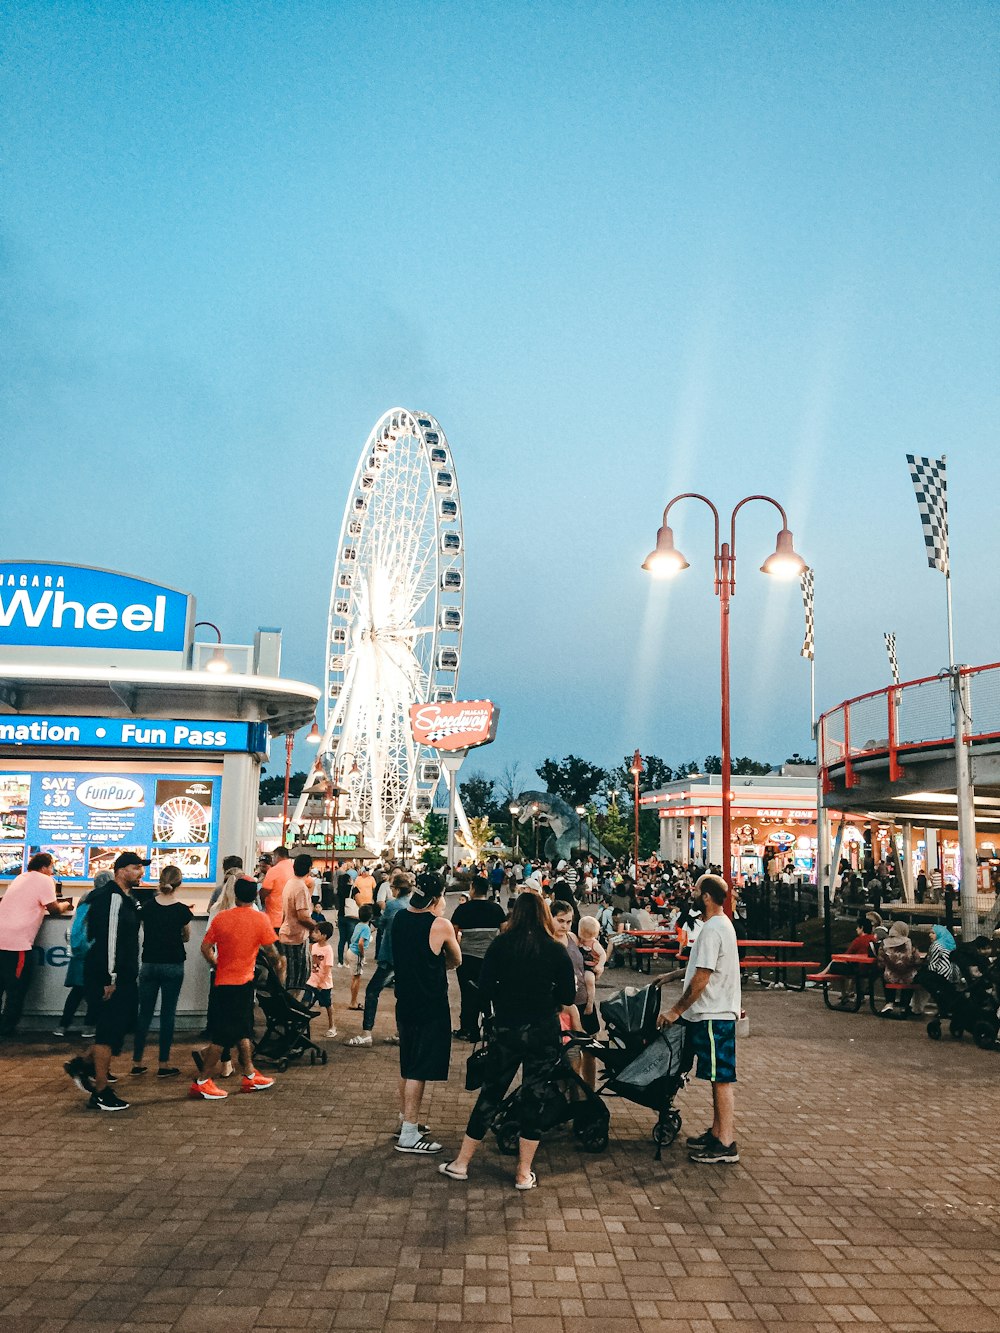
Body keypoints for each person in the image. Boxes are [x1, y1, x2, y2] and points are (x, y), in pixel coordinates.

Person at [438, 893, 576, 1190]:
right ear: (544, 916)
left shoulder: (501, 945)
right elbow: (567, 997)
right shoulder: (555, 950)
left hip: (507, 1029)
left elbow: (484, 989)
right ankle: (524, 1172)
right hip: (543, 1031)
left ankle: (462, 1162)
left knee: (491, 1093)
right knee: (534, 1097)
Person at [657, 874, 741, 1165]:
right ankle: (718, 1132)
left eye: (695, 890)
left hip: (712, 1013)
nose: (692, 894)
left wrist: (675, 1010)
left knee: (721, 1077)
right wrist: (672, 975)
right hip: (713, 1012)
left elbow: (703, 977)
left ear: (706, 896)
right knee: (716, 1076)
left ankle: (726, 1142)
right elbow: (700, 967)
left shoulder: (712, 930)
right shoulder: (721, 926)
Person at [64, 852, 147, 1111]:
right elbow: (110, 941)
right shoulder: (112, 898)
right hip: (109, 978)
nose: (140, 873)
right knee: (108, 1033)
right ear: (120, 870)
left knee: (117, 1030)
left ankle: (83, 1065)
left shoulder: (124, 898)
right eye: (135, 868)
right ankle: (100, 1092)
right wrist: (110, 978)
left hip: (120, 976)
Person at [191, 876, 285, 1099]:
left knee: (244, 1029)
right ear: (254, 895)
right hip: (243, 983)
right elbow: (272, 953)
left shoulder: (222, 918)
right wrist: (278, 964)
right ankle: (202, 1080)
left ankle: (250, 1075)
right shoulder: (259, 920)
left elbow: (205, 948)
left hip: (222, 981)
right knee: (223, 1036)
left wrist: (216, 963)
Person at [391, 874, 461, 1153]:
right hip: (430, 1003)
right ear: (436, 898)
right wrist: (437, 966)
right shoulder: (440, 925)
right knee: (419, 1067)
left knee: (408, 1063)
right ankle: (409, 1134)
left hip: (404, 1000)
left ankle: (406, 1118)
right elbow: (456, 958)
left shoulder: (399, 918)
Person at [0, 851, 72, 1037]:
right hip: (17, 944)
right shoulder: (44, 880)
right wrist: (66, 905)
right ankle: (6, 1029)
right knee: (17, 988)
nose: (52, 871)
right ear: (43, 868)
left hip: (2, 939)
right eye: (51, 867)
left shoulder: (20, 878)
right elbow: (54, 909)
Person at [130, 865, 193, 1076]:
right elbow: (187, 936)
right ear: (179, 883)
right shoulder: (183, 910)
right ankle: (164, 1064)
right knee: (168, 1014)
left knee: (144, 1013)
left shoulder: (147, 908)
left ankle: (137, 1062)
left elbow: (146, 930)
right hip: (173, 964)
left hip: (149, 963)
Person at [346, 871, 412, 1048]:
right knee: (403, 995)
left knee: (372, 992)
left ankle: (366, 1033)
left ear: (396, 889)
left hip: (390, 956)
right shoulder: (412, 905)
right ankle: (401, 1032)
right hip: (407, 958)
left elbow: (382, 923)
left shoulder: (393, 905)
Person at [450, 876, 506, 1041]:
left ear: (473, 888)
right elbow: (504, 933)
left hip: (467, 958)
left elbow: (453, 934)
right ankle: (490, 1029)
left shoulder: (462, 909)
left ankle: (469, 1029)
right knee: (489, 992)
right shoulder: (496, 909)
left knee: (467, 994)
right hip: (490, 959)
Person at [55, 872, 108, 1038]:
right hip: (94, 951)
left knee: (77, 991)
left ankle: (62, 1026)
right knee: (96, 991)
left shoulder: (85, 899)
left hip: (78, 952)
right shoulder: (105, 900)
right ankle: (89, 1026)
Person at [277, 853, 313, 998]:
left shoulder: (290, 883)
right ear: (309, 868)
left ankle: (287, 1008)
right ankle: (291, 1009)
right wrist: (315, 927)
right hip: (296, 937)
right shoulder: (300, 887)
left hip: (286, 933)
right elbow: (303, 916)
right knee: (297, 979)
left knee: (288, 977)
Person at [304, 919, 337, 1037]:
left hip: (324, 984)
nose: (313, 934)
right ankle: (302, 1025)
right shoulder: (314, 946)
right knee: (305, 1003)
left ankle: (332, 1026)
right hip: (312, 981)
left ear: (324, 936)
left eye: (316, 932)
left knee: (327, 1005)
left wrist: (321, 983)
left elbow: (327, 969)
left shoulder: (328, 950)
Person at [575, 915, 607, 1025]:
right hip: (582, 965)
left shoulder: (594, 944)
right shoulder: (580, 940)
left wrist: (600, 965)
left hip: (590, 966)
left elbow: (603, 954)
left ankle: (590, 1003)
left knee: (589, 981)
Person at [259, 845, 293, 930]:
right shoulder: (294, 868)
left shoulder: (274, 870)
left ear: (277, 856)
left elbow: (264, 892)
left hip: (275, 918)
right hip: (291, 918)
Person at [347, 904, 374, 1010]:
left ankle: (353, 1000)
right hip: (356, 954)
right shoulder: (366, 928)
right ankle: (353, 1002)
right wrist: (362, 954)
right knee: (357, 979)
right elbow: (361, 943)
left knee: (354, 977)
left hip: (350, 951)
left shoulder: (359, 925)